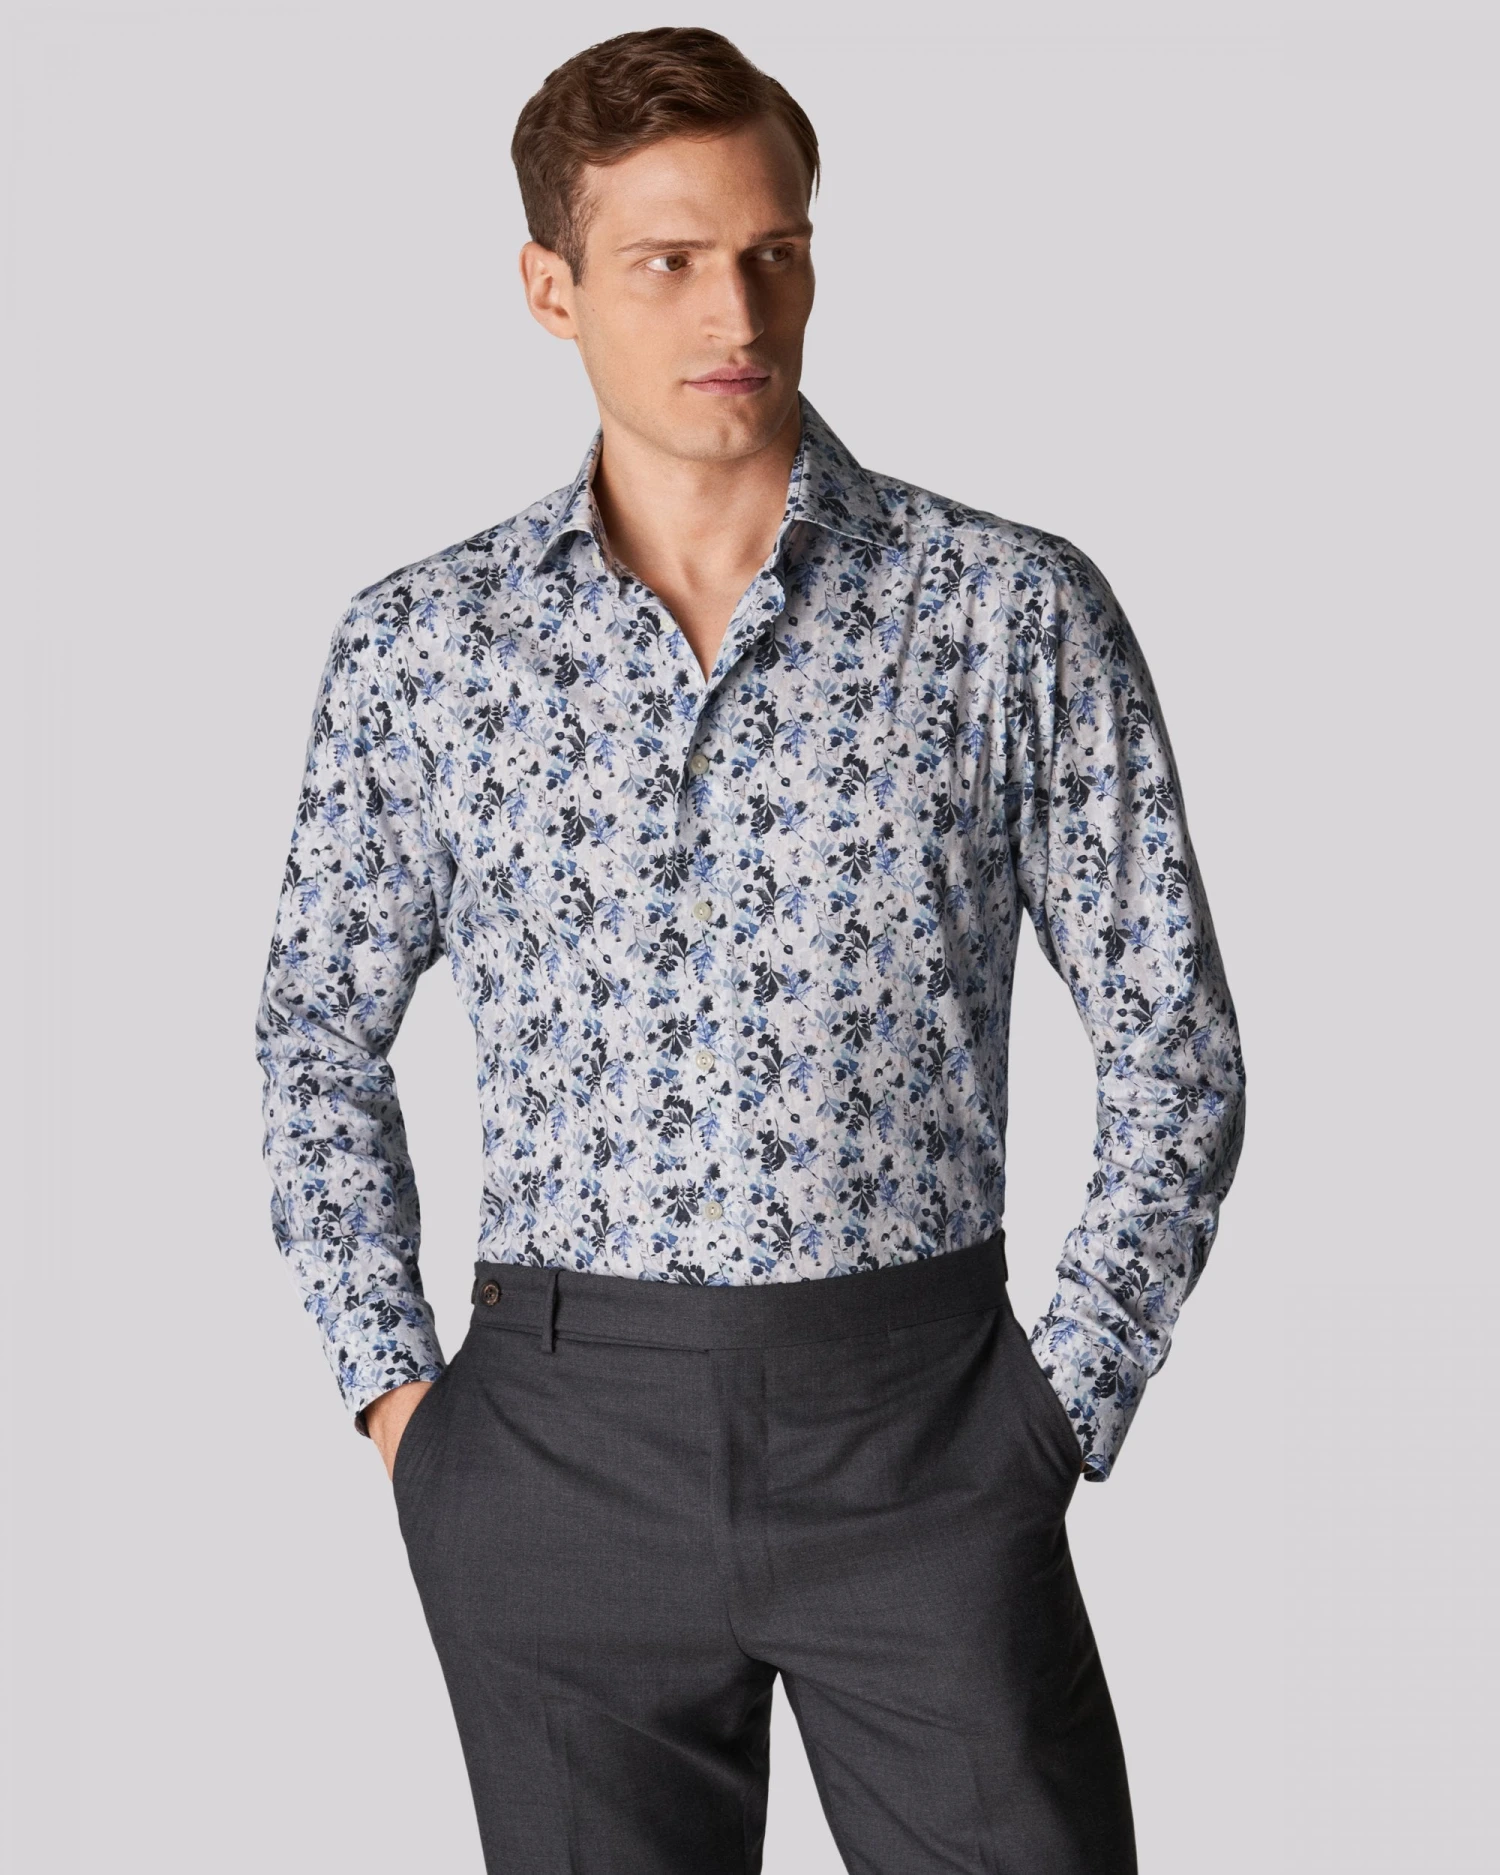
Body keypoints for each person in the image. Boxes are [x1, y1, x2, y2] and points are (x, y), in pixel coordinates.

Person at [254, 24, 1246, 1874]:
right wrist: (400, 1399)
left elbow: (1172, 1040)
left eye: (773, 252)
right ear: (550, 289)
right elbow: (316, 1028)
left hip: (925, 1426)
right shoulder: (427, 649)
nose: (738, 309)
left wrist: (1062, 1405)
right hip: (554, 1445)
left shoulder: (1005, 610)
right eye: (669, 260)